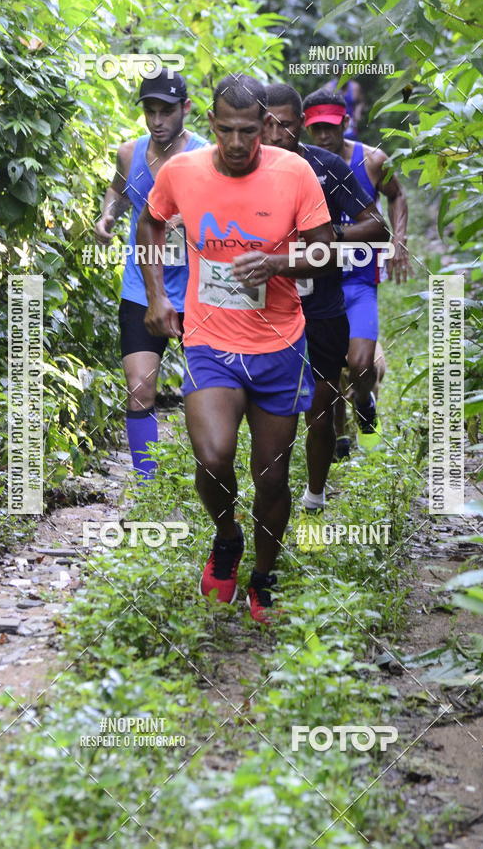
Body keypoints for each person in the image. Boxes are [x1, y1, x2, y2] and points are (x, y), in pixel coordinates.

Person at [136, 75, 347, 622]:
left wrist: (279, 263)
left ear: (266, 127)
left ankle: (263, 576)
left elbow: (324, 253)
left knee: (272, 477)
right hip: (209, 338)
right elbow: (150, 224)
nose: (236, 142)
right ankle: (227, 537)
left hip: (279, 340)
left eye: (248, 131)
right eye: (226, 130)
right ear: (210, 124)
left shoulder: (295, 172)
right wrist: (158, 294)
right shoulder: (181, 171)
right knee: (212, 456)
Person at [262, 83, 389, 539]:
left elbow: (376, 225)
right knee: (270, 415)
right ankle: (269, 496)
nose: (276, 134)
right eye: (268, 124)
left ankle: (315, 495)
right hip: (263, 308)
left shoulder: (327, 167)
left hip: (322, 305)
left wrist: (329, 236)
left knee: (320, 407)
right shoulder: (243, 166)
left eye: (286, 124)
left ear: (300, 125)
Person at [94, 69, 207, 482]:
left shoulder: (206, 157)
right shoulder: (129, 153)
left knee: (206, 392)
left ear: (186, 109)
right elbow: (119, 192)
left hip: (198, 289)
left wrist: (189, 223)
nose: (157, 120)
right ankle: (146, 484)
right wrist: (106, 217)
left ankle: (209, 474)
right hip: (142, 284)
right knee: (140, 385)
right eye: (150, 111)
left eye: (166, 111)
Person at [302, 87, 409, 452]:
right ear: (305, 129)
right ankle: (339, 438)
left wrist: (399, 240)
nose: (324, 136)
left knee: (360, 364)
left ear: (345, 122)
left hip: (360, 278)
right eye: (316, 129)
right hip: (315, 283)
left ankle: (364, 401)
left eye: (330, 127)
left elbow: (396, 194)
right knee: (326, 369)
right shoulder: (300, 165)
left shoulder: (372, 160)